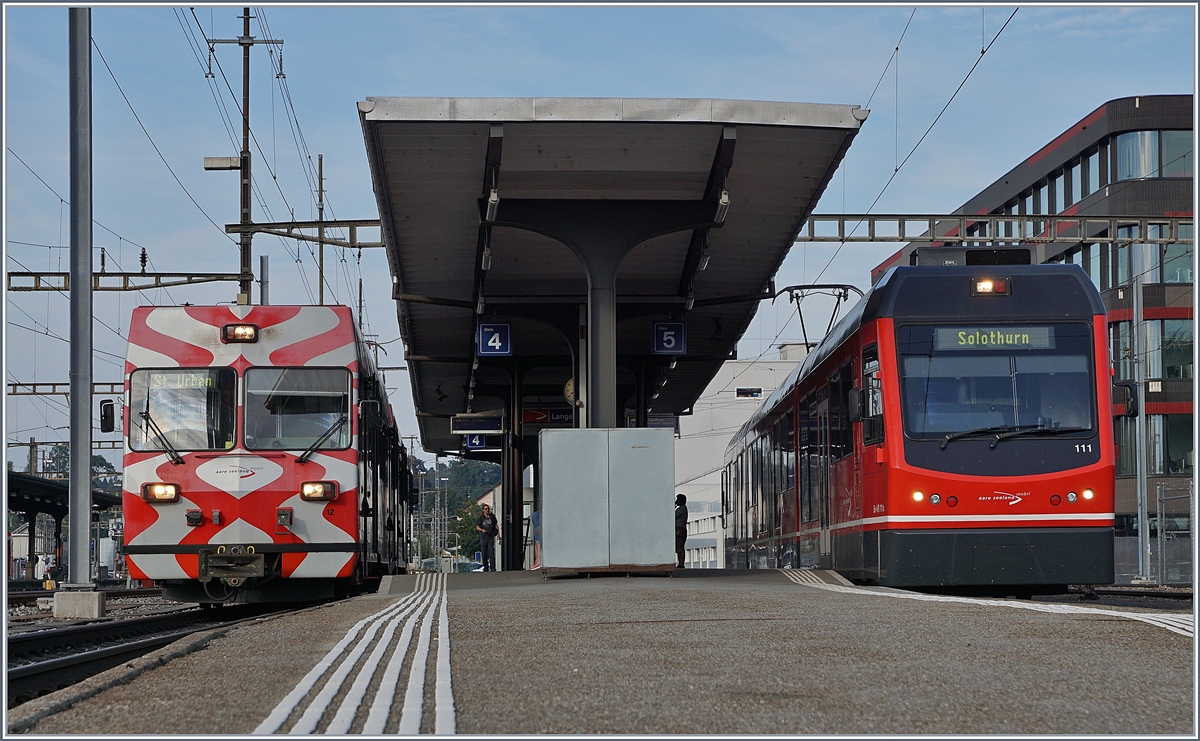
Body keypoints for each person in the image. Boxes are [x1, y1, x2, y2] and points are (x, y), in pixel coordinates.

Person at [475, 504, 500, 572]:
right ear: (483, 510)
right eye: (486, 509)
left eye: (488, 509)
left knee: (491, 552)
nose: (487, 510)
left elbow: (495, 525)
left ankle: (492, 567)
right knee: (484, 553)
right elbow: (477, 526)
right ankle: (485, 567)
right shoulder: (480, 518)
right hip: (483, 537)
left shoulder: (492, 517)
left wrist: (498, 533)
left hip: (490, 536)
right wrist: (481, 530)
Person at [675, 494, 688, 569]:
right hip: (681, 529)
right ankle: (681, 563)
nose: (676, 501)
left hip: (679, 530)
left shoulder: (681, 509)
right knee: (680, 547)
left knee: (679, 547)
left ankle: (681, 563)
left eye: (677, 499)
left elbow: (673, 515)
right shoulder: (683, 508)